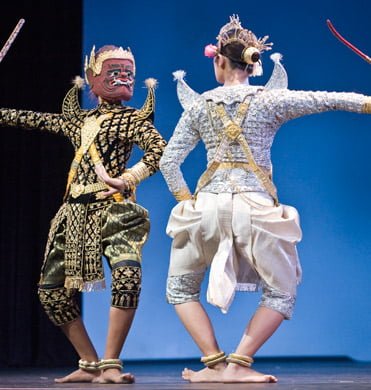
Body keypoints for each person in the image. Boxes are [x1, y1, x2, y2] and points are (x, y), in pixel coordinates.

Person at [160, 15, 371, 383]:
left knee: (180, 289)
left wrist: (186, 200)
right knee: (280, 291)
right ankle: (239, 364)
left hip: (206, 208)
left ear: (218, 60)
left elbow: (168, 162)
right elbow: (331, 99)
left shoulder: (198, 106)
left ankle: (213, 364)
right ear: (254, 63)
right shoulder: (271, 100)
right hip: (255, 210)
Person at [0, 44, 166, 384]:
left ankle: (111, 364)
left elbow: (159, 150)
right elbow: (31, 119)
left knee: (127, 277)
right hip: (73, 214)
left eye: (128, 74)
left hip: (114, 212)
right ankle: (89, 362)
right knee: (50, 291)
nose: (123, 79)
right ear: (94, 79)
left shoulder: (130, 120)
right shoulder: (78, 122)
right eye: (114, 73)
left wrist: (127, 178)